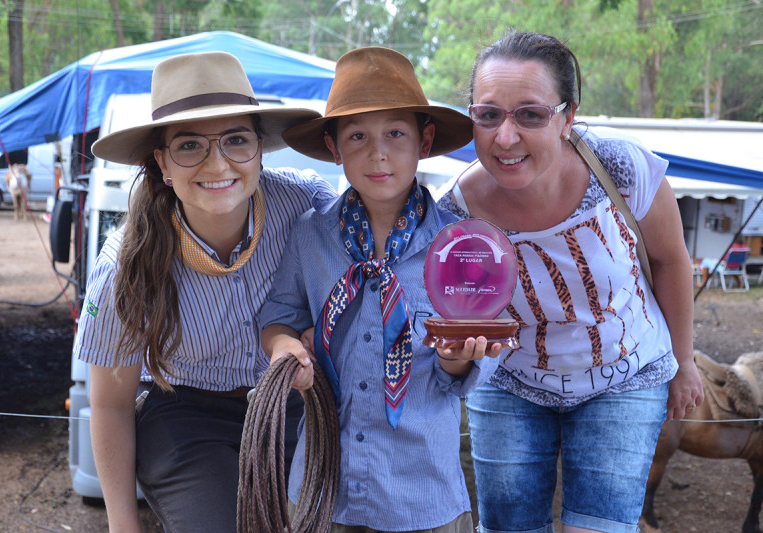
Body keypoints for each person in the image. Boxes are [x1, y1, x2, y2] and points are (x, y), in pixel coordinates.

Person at [437, 31, 704, 533]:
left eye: (530, 114)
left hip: (625, 372)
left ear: (568, 116)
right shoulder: (455, 212)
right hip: (511, 380)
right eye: (488, 115)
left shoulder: (623, 169)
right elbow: (457, 313)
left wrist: (685, 361)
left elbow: (670, 261)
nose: (505, 136)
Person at [72, 51, 336, 533]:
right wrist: (122, 525)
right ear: (163, 164)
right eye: (190, 145)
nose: (218, 163)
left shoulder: (306, 203)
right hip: (184, 413)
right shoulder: (123, 266)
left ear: (260, 150)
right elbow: (110, 403)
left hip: (290, 401)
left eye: (236, 140)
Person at [259, 47, 502, 532]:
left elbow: (469, 367)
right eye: (357, 136)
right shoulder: (310, 236)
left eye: (395, 133)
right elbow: (277, 316)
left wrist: (458, 354)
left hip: (422, 497)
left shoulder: (460, 248)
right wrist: (285, 346)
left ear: (424, 138)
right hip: (321, 489)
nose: (378, 153)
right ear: (333, 147)